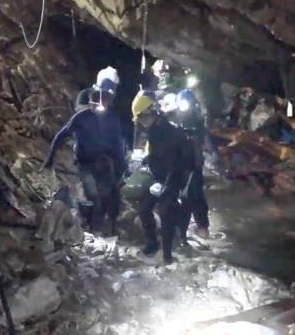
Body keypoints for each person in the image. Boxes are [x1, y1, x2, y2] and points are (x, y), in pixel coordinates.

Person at [41, 66, 126, 234]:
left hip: (103, 162)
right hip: (84, 162)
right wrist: (49, 159)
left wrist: (121, 169)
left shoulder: (113, 120)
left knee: (107, 196)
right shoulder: (82, 116)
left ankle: (100, 227)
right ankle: (92, 228)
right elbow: (61, 135)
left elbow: (118, 145)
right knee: (93, 196)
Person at [131, 90, 195, 263]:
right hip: (160, 177)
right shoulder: (154, 129)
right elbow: (156, 155)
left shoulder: (167, 132)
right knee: (145, 209)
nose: (141, 123)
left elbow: (174, 161)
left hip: (174, 178)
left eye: (142, 118)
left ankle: (167, 255)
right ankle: (152, 244)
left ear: (150, 114)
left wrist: (165, 184)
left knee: (166, 212)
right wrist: (145, 160)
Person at [165, 89, 212, 242]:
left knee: (195, 195)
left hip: (194, 165)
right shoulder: (174, 119)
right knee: (175, 196)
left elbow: (202, 142)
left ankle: (201, 226)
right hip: (178, 165)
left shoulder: (197, 122)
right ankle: (178, 231)